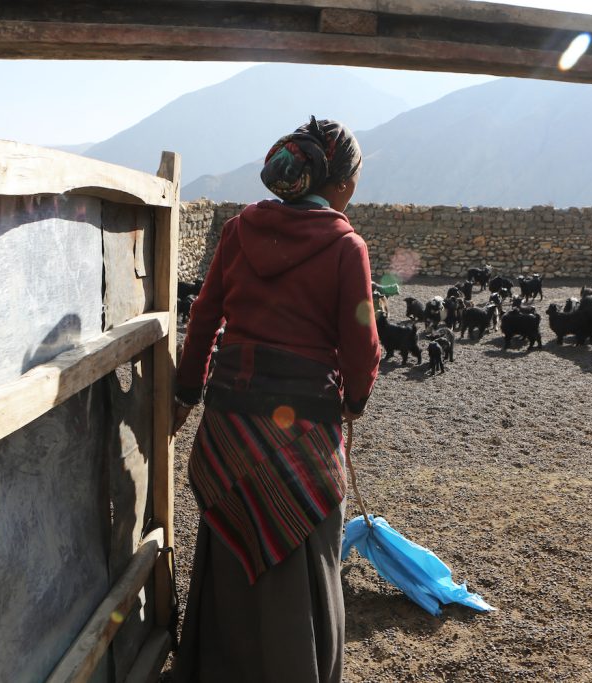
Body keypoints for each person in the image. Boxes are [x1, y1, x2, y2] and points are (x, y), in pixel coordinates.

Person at [168, 116, 381, 683]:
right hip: (304, 436)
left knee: (233, 550)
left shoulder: (238, 232)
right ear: (337, 183)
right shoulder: (346, 247)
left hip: (229, 428)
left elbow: (205, 319)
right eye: (355, 179)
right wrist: (355, 402)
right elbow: (361, 346)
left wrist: (187, 395)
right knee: (303, 555)